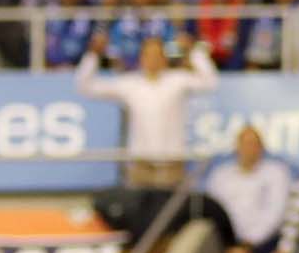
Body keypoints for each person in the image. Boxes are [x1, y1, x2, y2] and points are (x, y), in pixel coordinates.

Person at [75, 32, 218, 188]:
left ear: (164, 58)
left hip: (172, 162)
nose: (153, 59)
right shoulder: (130, 84)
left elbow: (210, 82)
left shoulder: (178, 80)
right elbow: (86, 87)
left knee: (172, 210)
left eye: (157, 55)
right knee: (140, 210)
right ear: (141, 58)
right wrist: (93, 54)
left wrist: (193, 51)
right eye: (149, 55)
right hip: (141, 163)